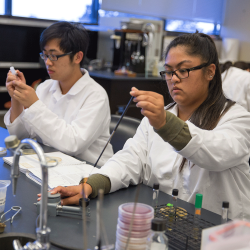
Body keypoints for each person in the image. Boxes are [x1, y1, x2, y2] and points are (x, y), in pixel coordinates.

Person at [41, 32, 250, 220]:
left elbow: (216, 152)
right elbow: (131, 159)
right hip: (165, 222)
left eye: (184, 70)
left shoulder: (236, 118)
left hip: (220, 232)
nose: (173, 79)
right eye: (168, 71)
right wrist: (91, 185)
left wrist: (165, 124)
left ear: (210, 72)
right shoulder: (162, 116)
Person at [4, 22, 113, 165]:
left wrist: (33, 105)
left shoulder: (96, 95)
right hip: (52, 165)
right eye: (45, 55)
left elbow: (73, 144)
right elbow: (21, 136)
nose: (47, 62)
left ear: (77, 57)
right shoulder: (45, 87)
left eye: (54, 56)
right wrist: (17, 99)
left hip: (88, 172)